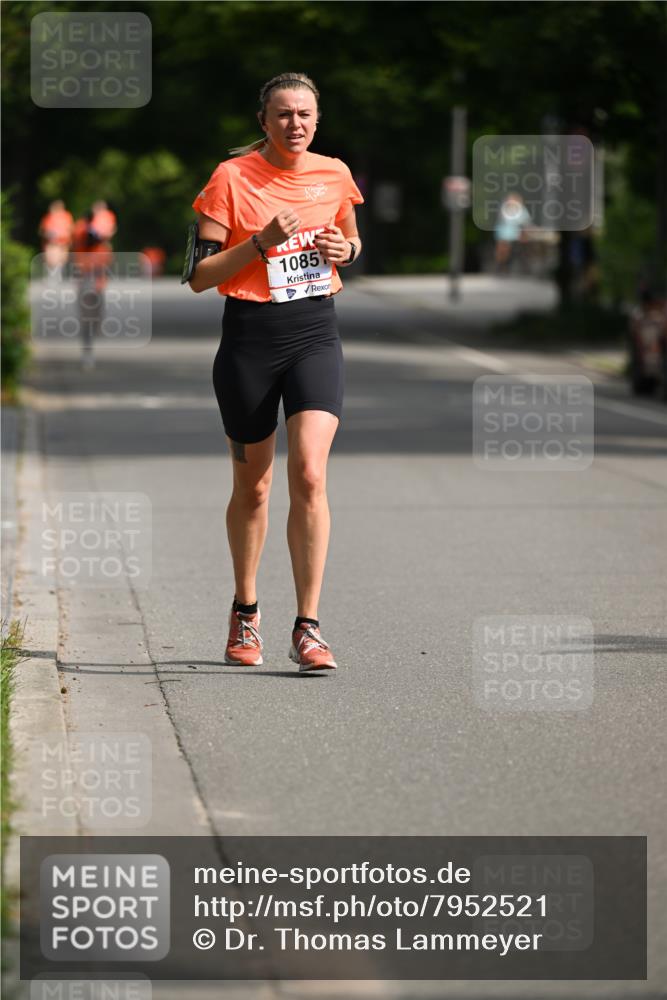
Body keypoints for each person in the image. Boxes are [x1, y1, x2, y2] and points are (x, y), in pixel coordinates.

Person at [187, 72, 363, 672]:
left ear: (317, 120)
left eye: (305, 114)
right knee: (254, 487)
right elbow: (200, 276)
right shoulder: (231, 178)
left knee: (310, 473)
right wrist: (260, 242)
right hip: (249, 339)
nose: (295, 124)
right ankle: (246, 610)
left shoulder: (334, 174)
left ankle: (308, 627)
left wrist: (346, 251)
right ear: (263, 121)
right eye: (284, 114)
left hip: (315, 332)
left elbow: (351, 238)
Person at [493, 192, 531, 273]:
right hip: (505, 234)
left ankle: (523, 266)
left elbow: (525, 222)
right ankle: (501, 265)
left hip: (516, 234)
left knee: (524, 245)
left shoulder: (522, 210)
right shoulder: (504, 209)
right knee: (503, 246)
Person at [39, 199, 74, 280]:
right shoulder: (49, 217)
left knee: (62, 258)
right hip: (52, 242)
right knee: (51, 258)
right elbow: (43, 230)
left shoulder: (66, 216)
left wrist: (69, 239)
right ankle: (51, 275)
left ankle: (58, 274)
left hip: (63, 242)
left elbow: (70, 229)